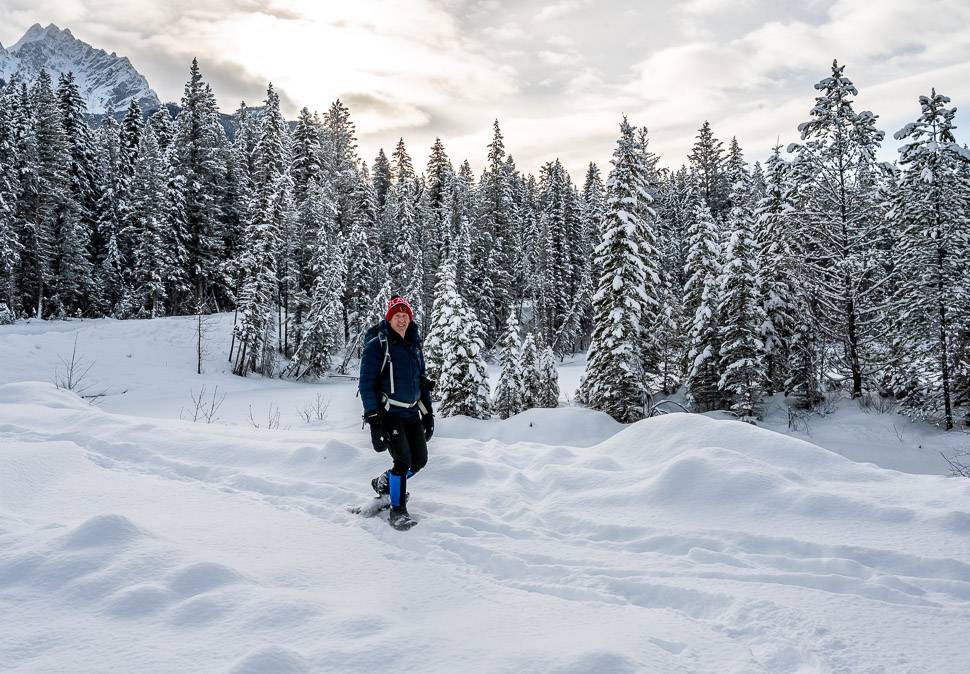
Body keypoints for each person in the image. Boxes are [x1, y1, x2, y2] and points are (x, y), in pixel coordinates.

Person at [359, 295, 434, 529]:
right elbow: (366, 382)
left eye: (405, 316)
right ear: (389, 318)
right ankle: (397, 510)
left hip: (411, 413)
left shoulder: (414, 345)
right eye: (397, 316)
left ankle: (385, 481)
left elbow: (421, 382)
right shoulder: (378, 346)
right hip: (388, 413)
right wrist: (373, 418)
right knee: (402, 461)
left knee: (419, 460)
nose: (402, 320)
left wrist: (428, 413)